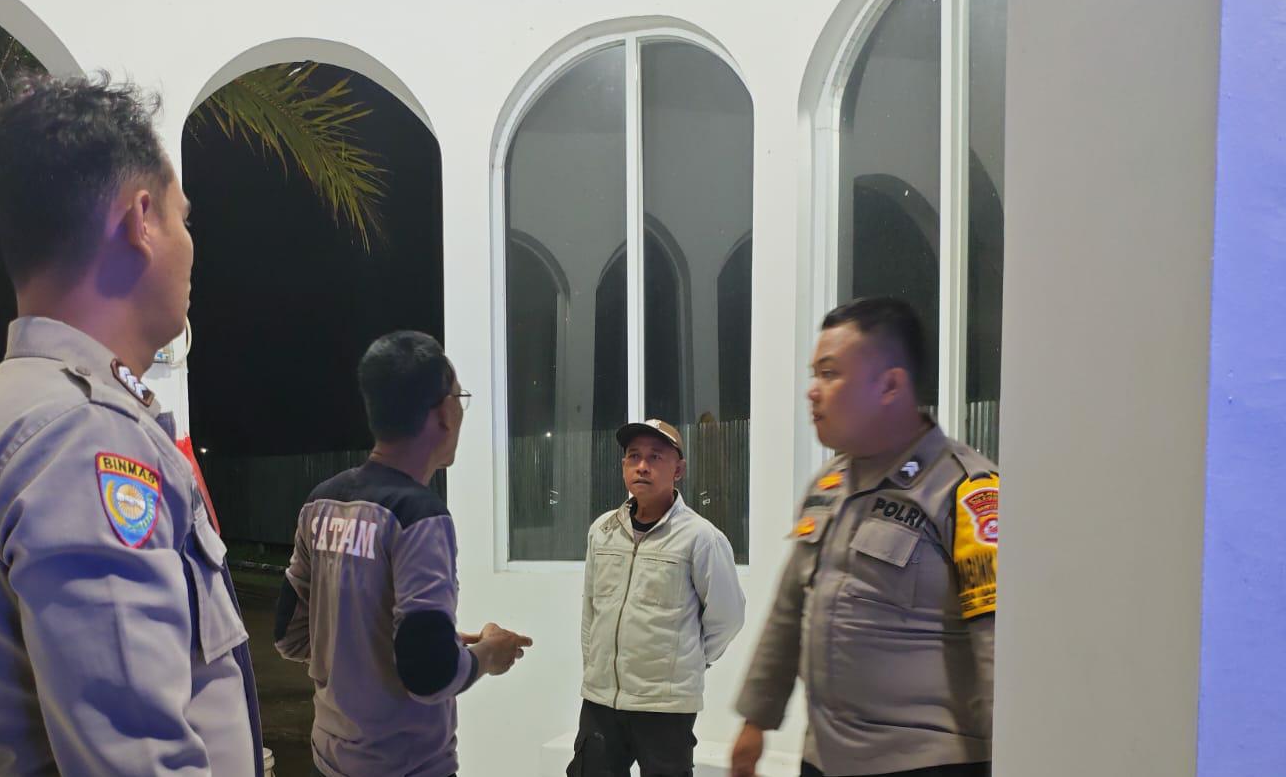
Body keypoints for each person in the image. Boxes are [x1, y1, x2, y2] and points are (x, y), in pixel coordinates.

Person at [0, 73, 264, 776]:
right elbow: (138, 760)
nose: (189, 245)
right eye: (182, 220)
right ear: (140, 220)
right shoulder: (84, 435)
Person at [730, 297, 998, 777]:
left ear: (890, 385)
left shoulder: (965, 490)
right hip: (824, 759)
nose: (813, 391)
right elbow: (789, 612)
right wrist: (756, 720)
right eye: (814, 374)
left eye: (830, 373)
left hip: (926, 764)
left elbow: (996, 644)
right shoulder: (828, 488)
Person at [275, 330, 533, 777]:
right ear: (444, 413)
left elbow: (290, 635)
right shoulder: (420, 517)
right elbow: (430, 675)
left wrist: (409, 645)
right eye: (460, 398)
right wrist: (491, 653)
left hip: (327, 761)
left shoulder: (321, 503)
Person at [569, 418, 746, 777]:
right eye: (633, 456)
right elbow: (591, 611)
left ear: (678, 469)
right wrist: (596, 666)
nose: (642, 466)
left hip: (665, 706)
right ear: (623, 466)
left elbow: (728, 617)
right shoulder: (602, 531)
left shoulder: (700, 538)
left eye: (655, 457)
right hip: (602, 699)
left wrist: (686, 662)